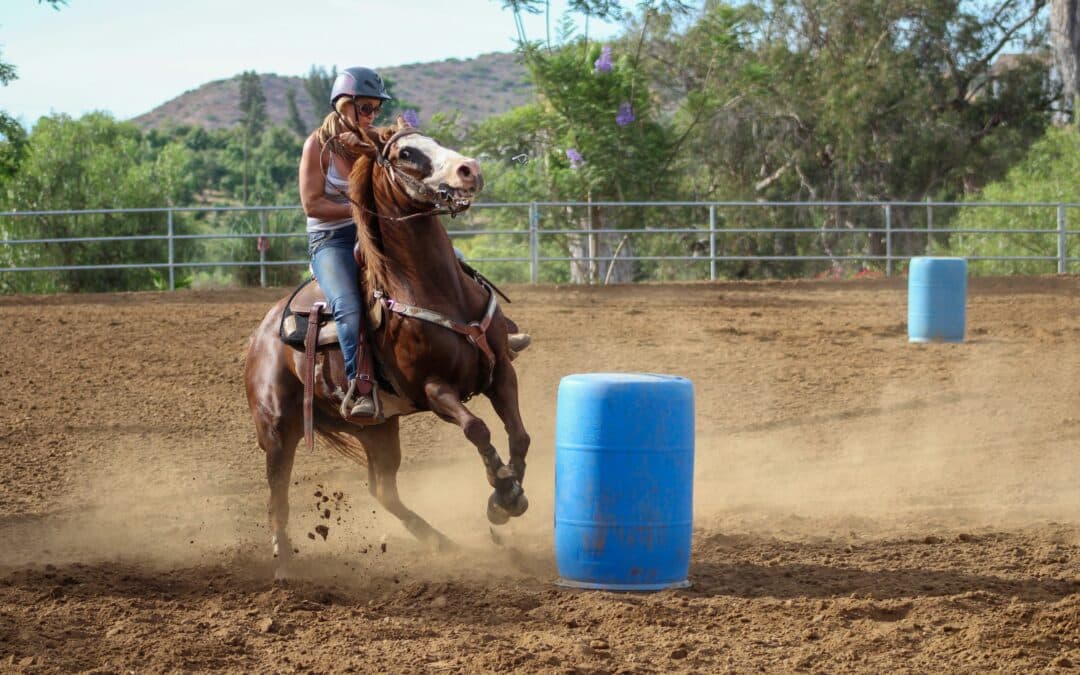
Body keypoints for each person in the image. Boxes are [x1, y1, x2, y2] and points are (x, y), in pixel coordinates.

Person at [300, 66, 530, 420]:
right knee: (347, 304)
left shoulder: (374, 140)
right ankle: (360, 385)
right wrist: (363, 210)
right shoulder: (318, 145)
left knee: (453, 261)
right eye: (364, 108)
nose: (370, 115)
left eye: (375, 109)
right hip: (331, 239)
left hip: (375, 230)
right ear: (343, 105)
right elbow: (312, 204)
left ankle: (497, 334)